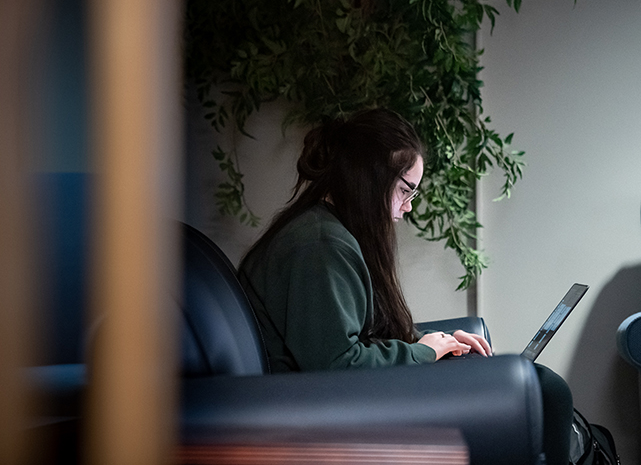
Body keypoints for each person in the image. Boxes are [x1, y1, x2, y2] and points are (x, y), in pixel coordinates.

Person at [237, 108, 573, 465]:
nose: (408, 207)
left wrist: (435, 343)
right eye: (404, 190)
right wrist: (421, 352)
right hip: (322, 416)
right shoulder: (320, 246)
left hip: (345, 403)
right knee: (546, 392)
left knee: (537, 388)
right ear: (369, 179)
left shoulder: (329, 232)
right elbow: (337, 369)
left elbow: (353, 337)